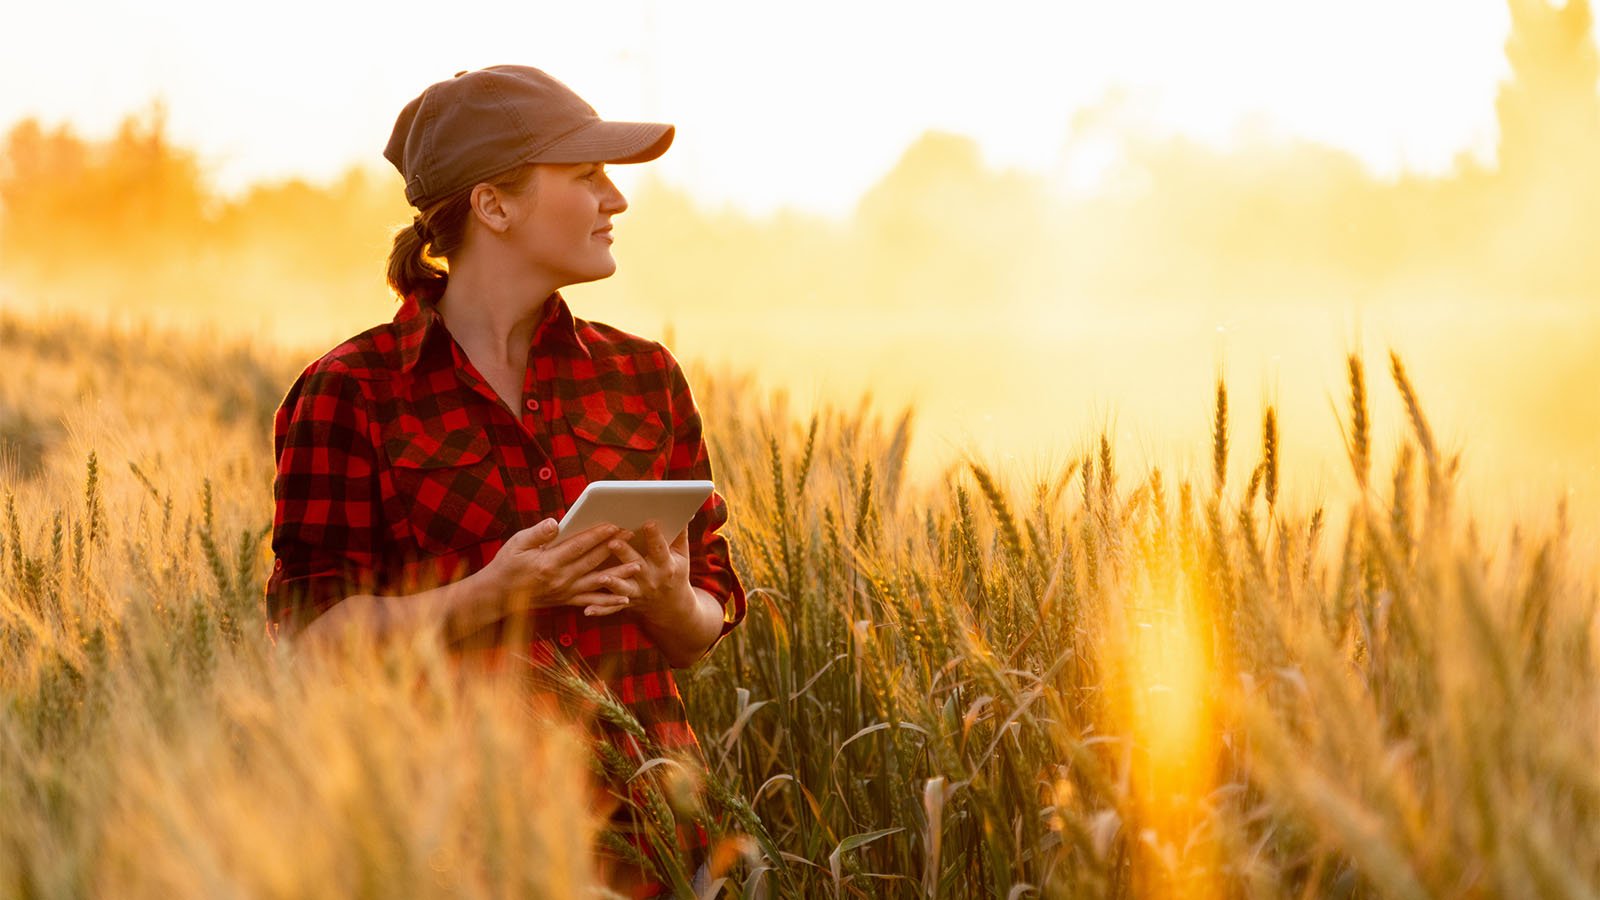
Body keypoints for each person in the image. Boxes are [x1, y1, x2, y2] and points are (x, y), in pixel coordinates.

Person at [263, 65, 747, 897]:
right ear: (494, 204)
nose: (616, 200)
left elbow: (707, 613)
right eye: (587, 174)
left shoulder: (644, 376)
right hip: (459, 855)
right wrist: (492, 593)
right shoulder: (353, 390)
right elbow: (309, 644)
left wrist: (669, 598)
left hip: (661, 848)